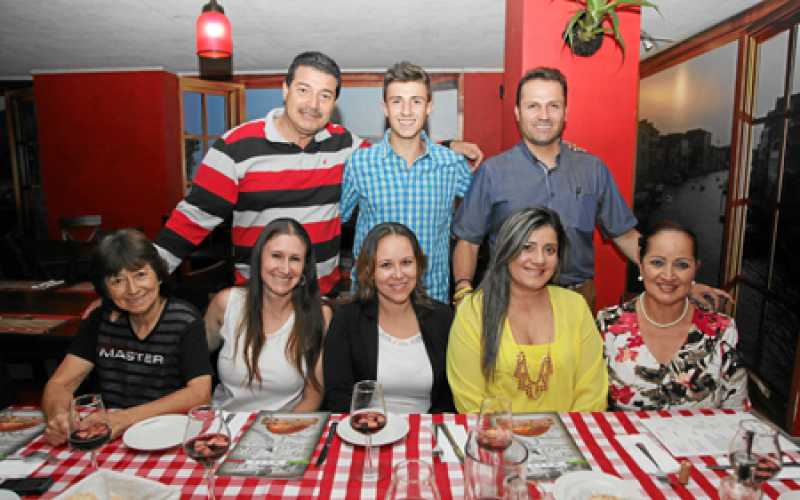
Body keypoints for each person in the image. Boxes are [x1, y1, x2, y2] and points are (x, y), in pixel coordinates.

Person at [154, 51, 483, 297]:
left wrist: (446, 147)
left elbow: (404, 152)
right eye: (304, 90)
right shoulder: (236, 146)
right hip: (258, 298)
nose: (313, 104)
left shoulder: (344, 147)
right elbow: (193, 217)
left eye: (325, 95)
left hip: (321, 298)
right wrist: (146, 275)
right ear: (285, 89)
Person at [451, 67, 728, 310]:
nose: (544, 115)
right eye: (533, 106)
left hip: (577, 300)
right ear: (517, 113)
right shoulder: (492, 172)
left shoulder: (592, 169)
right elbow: (468, 241)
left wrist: (684, 284)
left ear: (565, 112)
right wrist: (463, 291)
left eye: (553, 106)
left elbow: (626, 235)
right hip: (509, 298)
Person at [42, 229, 212, 445]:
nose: (132, 290)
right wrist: (59, 417)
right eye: (118, 281)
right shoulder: (100, 319)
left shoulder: (184, 320)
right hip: (110, 436)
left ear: (159, 275)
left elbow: (200, 393)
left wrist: (127, 417)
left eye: (140, 275)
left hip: (168, 434)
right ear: (105, 289)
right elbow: (60, 384)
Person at [447, 207, 607, 413]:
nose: (539, 259)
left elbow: (592, 391)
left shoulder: (575, 306)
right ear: (506, 251)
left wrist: (569, 431)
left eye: (550, 250)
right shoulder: (473, 310)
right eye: (527, 248)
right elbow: (469, 399)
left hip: (570, 431)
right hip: (496, 432)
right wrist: (507, 433)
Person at [340, 62, 474, 303]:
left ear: (429, 107)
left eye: (416, 101)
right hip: (372, 298)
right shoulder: (360, 163)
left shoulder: (452, 164)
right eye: (397, 101)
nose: (406, 111)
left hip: (431, 297)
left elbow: (482, 216)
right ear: (385, 108)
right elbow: (335, 220)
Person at [597, 221, 747, 410]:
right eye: (657, 262)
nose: (668, 275)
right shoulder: (608, 325)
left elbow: (737, 412)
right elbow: (590, 403)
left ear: (695, 269)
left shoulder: (722, 331)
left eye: (682, 265)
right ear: (641, 266)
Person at [323, 222, 455, 414]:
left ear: (419, 266)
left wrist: (423, 428)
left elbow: (449, 395)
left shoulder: (443, 317)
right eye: (386, 265)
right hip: (367, 426)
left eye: (406, 262)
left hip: (426, 428)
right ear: (369, 271)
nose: (398, 274)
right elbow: (338, 395)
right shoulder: (347, 319)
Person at [204, 218, 331, 411]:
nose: (285, 269)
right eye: (276, 256)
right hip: (225, 424)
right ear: (259, 258)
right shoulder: (226, 303)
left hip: (286, 425)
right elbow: (193, 365)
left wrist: (281, 428)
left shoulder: (319, 315)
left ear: (305, 267)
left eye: (295, 259)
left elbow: (313, 394)